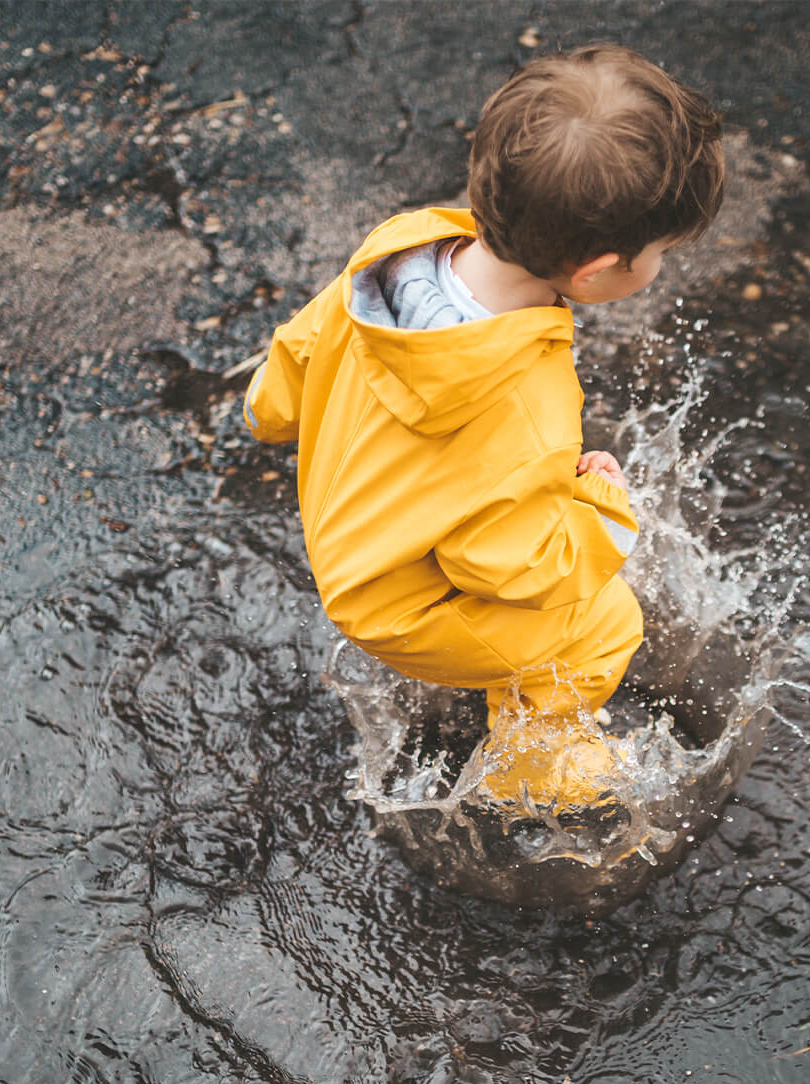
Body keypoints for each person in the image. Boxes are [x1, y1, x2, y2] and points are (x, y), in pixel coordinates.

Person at [243, 43, 724, 814]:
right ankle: (535, 774)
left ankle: (502, 702)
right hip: (400, 607)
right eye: (661, 254)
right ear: (599, 270)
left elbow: (300, 348)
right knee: (602, 622)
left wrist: (271, 411)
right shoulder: (521, 403)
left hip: (346, 525)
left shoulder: (400, 250)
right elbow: (504, 563)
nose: (662, 265)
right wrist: (602, 510)